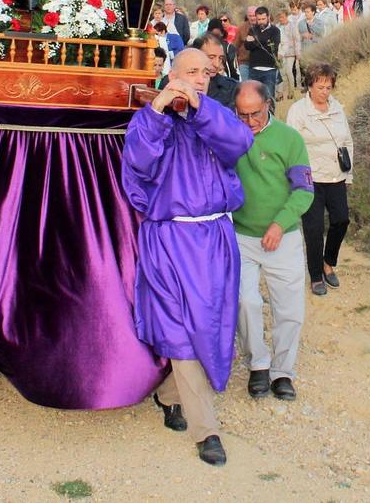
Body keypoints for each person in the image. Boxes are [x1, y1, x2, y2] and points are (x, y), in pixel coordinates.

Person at [121, 48, 254, 466]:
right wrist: (160, 110)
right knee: (180, 329)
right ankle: (207, 431)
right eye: (189, 72)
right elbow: (138, 164)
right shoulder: (150, 117)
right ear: (171, 75)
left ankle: (169, 395)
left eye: (204, 73)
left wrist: (198, 110)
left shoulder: (214, 114)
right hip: (170, 241)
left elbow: (239, 143)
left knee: (211, 323)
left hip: (215, 237)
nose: (198, 79)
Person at [232, 81, 313, 401]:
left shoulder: (290, 139)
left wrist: (280, 224)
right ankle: (258, 364)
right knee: (245, 301)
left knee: (289, 308)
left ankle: (283, 371)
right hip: (241, 235)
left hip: (283, 237)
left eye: (256, 113)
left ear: (269, 104)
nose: (250, 121)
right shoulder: (232, 136)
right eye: (242, 115)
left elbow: (304, 190)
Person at [285, 63, 353, 297]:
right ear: (310, 85)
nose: (325, 91)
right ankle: (315, 276)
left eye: (329, 87)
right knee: (313, 229)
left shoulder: (337, 108)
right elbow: (291, 146)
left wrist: (349, 174)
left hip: (336, 176)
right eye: (320, 86)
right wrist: (294, 180)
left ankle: (328, 261)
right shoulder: (298, 111)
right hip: (310, 179)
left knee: (341, 220)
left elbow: (347, 142)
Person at [244, 6, 281, 101]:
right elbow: (247, 46)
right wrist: (263, 41)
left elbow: (272, 47)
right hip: (254, 69)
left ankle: (270, 115)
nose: (261, 21)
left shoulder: (275, 30)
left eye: (263, 19)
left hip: (269, 69)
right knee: (254, 98)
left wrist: (255, 40)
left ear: (268, 17)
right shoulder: (252, 29)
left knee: (268, 98)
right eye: (259, 19)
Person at [196, 34, 239, 108]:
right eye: (211, 57)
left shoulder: (232, 88)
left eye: (220, 58)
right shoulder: (178, 84)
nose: (217, 64)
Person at [277, 1, 303, 100]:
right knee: (282, 72)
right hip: (281, 53)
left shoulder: (292, 25)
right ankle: (284, 91)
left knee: (289, 71)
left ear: (286, 16)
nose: (281, 19)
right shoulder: (278, 26)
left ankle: (291, 91)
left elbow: (297, 39)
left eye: (283, 17)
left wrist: (298, 53)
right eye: (279, 17)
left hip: (291, 52)